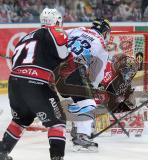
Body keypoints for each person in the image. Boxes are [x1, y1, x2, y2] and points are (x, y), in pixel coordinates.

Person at [0, 8, 70, 160]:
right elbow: (64, 55)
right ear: (57, 21)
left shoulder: (25, 37)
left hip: (14, 83)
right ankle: (57, 158)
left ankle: (1, 152)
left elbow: (14, 62)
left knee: (20, 119)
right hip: (36, 84)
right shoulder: (56, 32)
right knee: (58, 122)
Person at [56, 18, 111, 152]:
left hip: (54, 68)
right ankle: (82, 136)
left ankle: (77, 129)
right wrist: (94, 86)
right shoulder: (102, 44)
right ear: (104, 32)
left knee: (75, 98)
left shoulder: (78, 29)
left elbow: (57, 36)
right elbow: (98, 74)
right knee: (88, 101)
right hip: (73, 68)